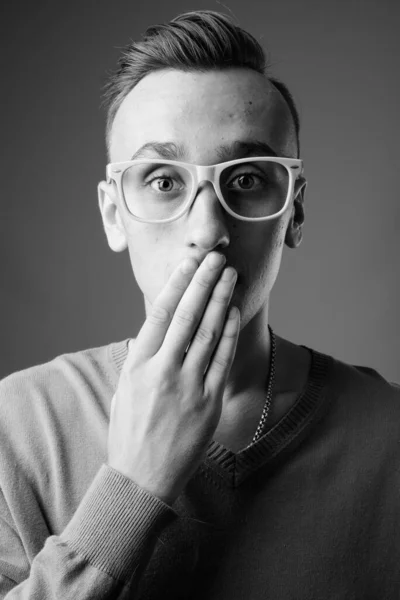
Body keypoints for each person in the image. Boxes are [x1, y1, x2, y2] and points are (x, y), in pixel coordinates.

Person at [0, 9, 399, 599]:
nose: (207, 230)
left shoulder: (389, 435)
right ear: (114, 213)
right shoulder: (16, 426)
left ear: (295, 210)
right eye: (163, 180)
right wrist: (131, 489)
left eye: (245, 180)